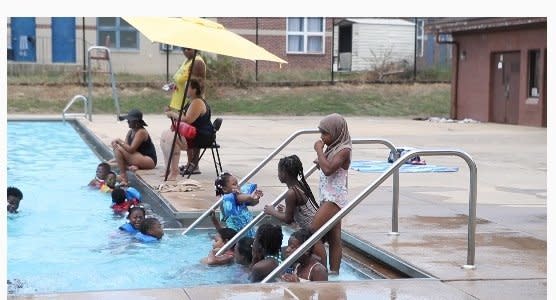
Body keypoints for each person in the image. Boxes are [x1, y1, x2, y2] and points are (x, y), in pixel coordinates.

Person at [263, 154, 327, 268]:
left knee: (277, 255)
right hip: (314, 229)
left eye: (279, 171)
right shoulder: (299, 185)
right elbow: (299, 211)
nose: (278, 175)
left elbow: (288, 219)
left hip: (312, 233)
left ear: (284, 173)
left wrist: (271, 211)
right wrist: (287, 210)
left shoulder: (291, 193)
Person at [310, 113, 351, 275]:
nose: (322, 137)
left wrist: (319, 151)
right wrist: (322, 155)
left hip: (334, 199)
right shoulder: (334, 147)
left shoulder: (344, 149)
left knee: (313, 231)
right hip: (327, 196)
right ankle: (334, 272)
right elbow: (326, 167)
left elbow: (328, 170)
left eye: (325, 133)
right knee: (334, 237)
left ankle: (323, 271)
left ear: (337, 132)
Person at [111, 109, 157, 186]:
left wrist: (119, 141)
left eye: (129, 120)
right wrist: (116, 144)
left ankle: (123, 176)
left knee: (118, 148)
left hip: (149, 160)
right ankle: (129, 167)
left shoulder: (141, 132)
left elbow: (131, 149)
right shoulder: (130, 132)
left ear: (136, 122)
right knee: (116, 152)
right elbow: (125, 147)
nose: (127, 122)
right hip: (138, 157)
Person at [212, 172, 262, 237]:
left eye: (237, 183)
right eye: (234, 184)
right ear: (225, 189)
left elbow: (253, 203)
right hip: (237, 241)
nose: (238, 186)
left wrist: (256, 198)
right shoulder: (227, 199)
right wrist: (250, 196)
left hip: (250, 236)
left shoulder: (241, 197)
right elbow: (238, 198)